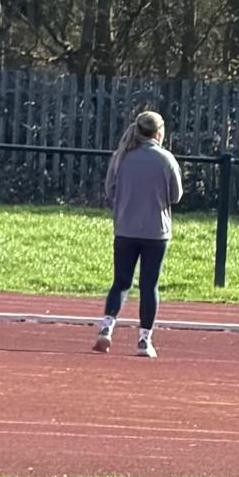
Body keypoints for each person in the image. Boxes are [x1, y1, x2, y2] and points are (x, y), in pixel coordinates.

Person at [93, 110, 183, 360]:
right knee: (148, 285)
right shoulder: (166, 158)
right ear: (159, 132)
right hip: (156, 231)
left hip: (125, 228)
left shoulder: (121, 157)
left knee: (121, 282)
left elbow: (110, 190)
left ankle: (107, 327)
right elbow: (176, 196)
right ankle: (144, 340)